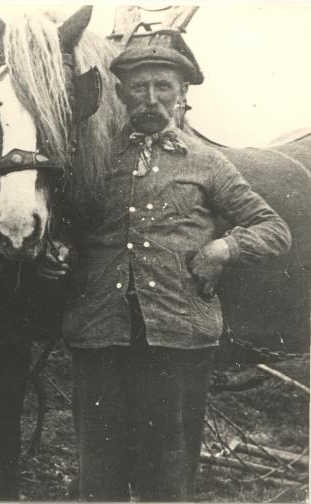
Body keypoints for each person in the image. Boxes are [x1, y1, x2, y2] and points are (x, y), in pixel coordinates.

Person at [39, 30, 292, 501]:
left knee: (169, 472)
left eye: (163, 87)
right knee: (99, 471)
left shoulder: (207, 164)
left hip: (178, 336)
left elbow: (272, 227)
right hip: (101, 333)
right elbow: (65, 228)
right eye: (139, 87)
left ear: (181, 95)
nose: (151, 99)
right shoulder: (92, 161)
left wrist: (223, 249)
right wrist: (58, 249)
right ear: (119, 93)